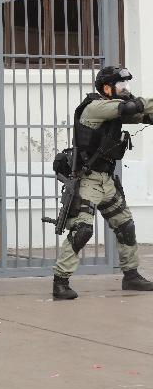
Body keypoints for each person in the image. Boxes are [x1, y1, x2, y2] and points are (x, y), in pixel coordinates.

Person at [52, 66, 153, 299]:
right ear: (107, 88)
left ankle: (131, 276)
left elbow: (142, 114)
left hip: (107, 181)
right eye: (120, 85)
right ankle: (60, 281)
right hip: (88, 180)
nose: (125, 89)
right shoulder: (97, 107)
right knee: (82, 230)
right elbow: (131, 107)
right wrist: (140, 105)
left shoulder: (113, 110)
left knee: (125, 225)